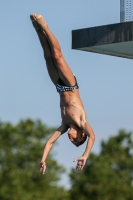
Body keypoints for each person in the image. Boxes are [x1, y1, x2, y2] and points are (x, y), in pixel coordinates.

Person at [30, 13, 95, 174]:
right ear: (81, 135)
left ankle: (38, 29)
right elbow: (93, 137)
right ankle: (45, 25)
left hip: (59, 87)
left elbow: (50, 142)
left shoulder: (65, 125)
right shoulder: (81, 122)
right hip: (71, 86)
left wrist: (43, 160)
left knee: (47, 57)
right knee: (57, 57)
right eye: (74, 140)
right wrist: (85, 155)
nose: (70, 139)